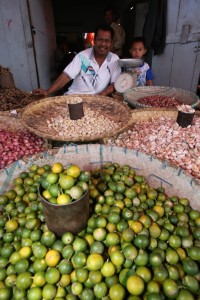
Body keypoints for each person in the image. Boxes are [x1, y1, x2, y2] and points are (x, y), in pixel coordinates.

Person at [33, 24, 121, 97]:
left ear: (111, 43)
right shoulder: (82, 56)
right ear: (94, 40)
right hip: (73, 97)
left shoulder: (114, 60)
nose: (103, 44)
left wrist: (101, 96)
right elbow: (66, 76)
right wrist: (48, 91)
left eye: (107, 41)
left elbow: (115, 84)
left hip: (95, 102)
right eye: (100, 40)